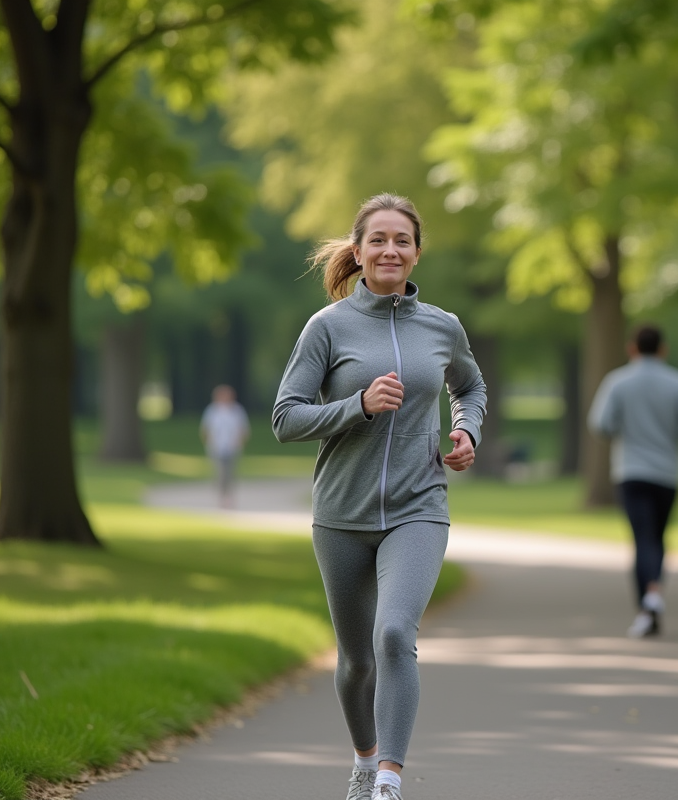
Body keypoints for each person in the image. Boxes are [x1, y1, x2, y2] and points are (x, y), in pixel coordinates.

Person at [273, 193, 486, 800]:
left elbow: (470, 386)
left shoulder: (442, 327)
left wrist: (467, 429)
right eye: (378, 240)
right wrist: (357, 407)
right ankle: (365, 758)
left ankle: (390, 779)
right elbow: (286, 418)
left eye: (402, 240)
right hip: (341, 513)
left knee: (394, 634)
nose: (390, 249)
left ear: (417, 253)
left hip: (420, 507)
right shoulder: (328, 327)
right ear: (360, 250)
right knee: (356, 662)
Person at [588, 324, 678, 638]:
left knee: (641, 538)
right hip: (667, 473)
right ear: (663, 349)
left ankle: (647, 603)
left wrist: (624, 431)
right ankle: (653, 597)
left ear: (632, 348)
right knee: (657, 537)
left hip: (630, 471)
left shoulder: (618, 382)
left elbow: (600, 423)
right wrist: (673, 434)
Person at [199, 384, 250, 508]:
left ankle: (229, 496)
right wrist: (210, 443)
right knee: (220, 473)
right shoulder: (212, 410)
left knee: (230, 473)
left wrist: (239, 442)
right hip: (216, 447)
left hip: (232, 448)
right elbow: (206, 429)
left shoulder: (237, 410)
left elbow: (243, 429)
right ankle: (222, 496)